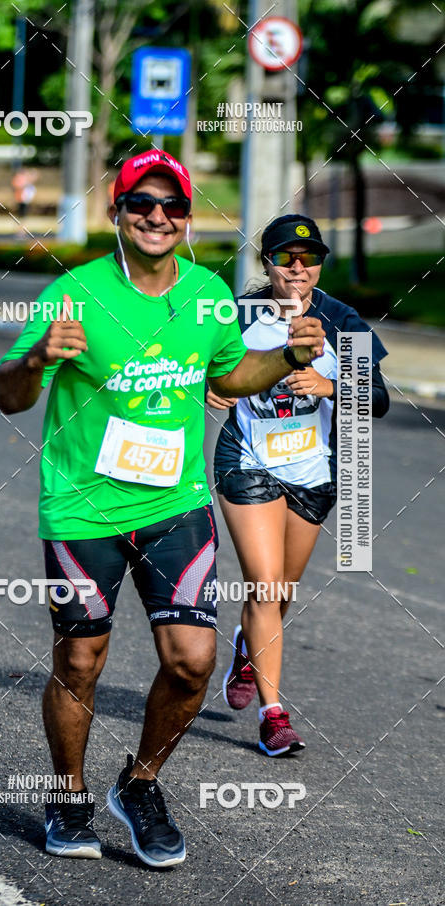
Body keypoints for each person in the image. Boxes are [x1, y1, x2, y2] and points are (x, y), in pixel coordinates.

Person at [0, 156, 326, 867]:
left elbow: (230, 376)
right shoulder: (75, 292)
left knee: (193, 661)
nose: (157, 215)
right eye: (141, 202)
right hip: (84, 511)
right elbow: (8, 395)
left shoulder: (208, 297)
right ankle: (70, 797)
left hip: (177, 505)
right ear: (117, 212)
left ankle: (140, 785)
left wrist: (287, 355)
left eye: (172, 205)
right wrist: (35, 363)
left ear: (187, 219)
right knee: (80, 661)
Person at [208, 213, 389, 757]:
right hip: (248, 464)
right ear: (267, 262)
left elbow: (377, 400)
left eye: (309, 259)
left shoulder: (341, 319)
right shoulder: (238, 315)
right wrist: (210, 384)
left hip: (314, 473)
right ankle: (274, 717)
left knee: (280, 594)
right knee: (264, 586)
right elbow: (184, 359)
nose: (298, 268)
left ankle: (247, 649)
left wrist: (330, 385)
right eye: (286, 257)